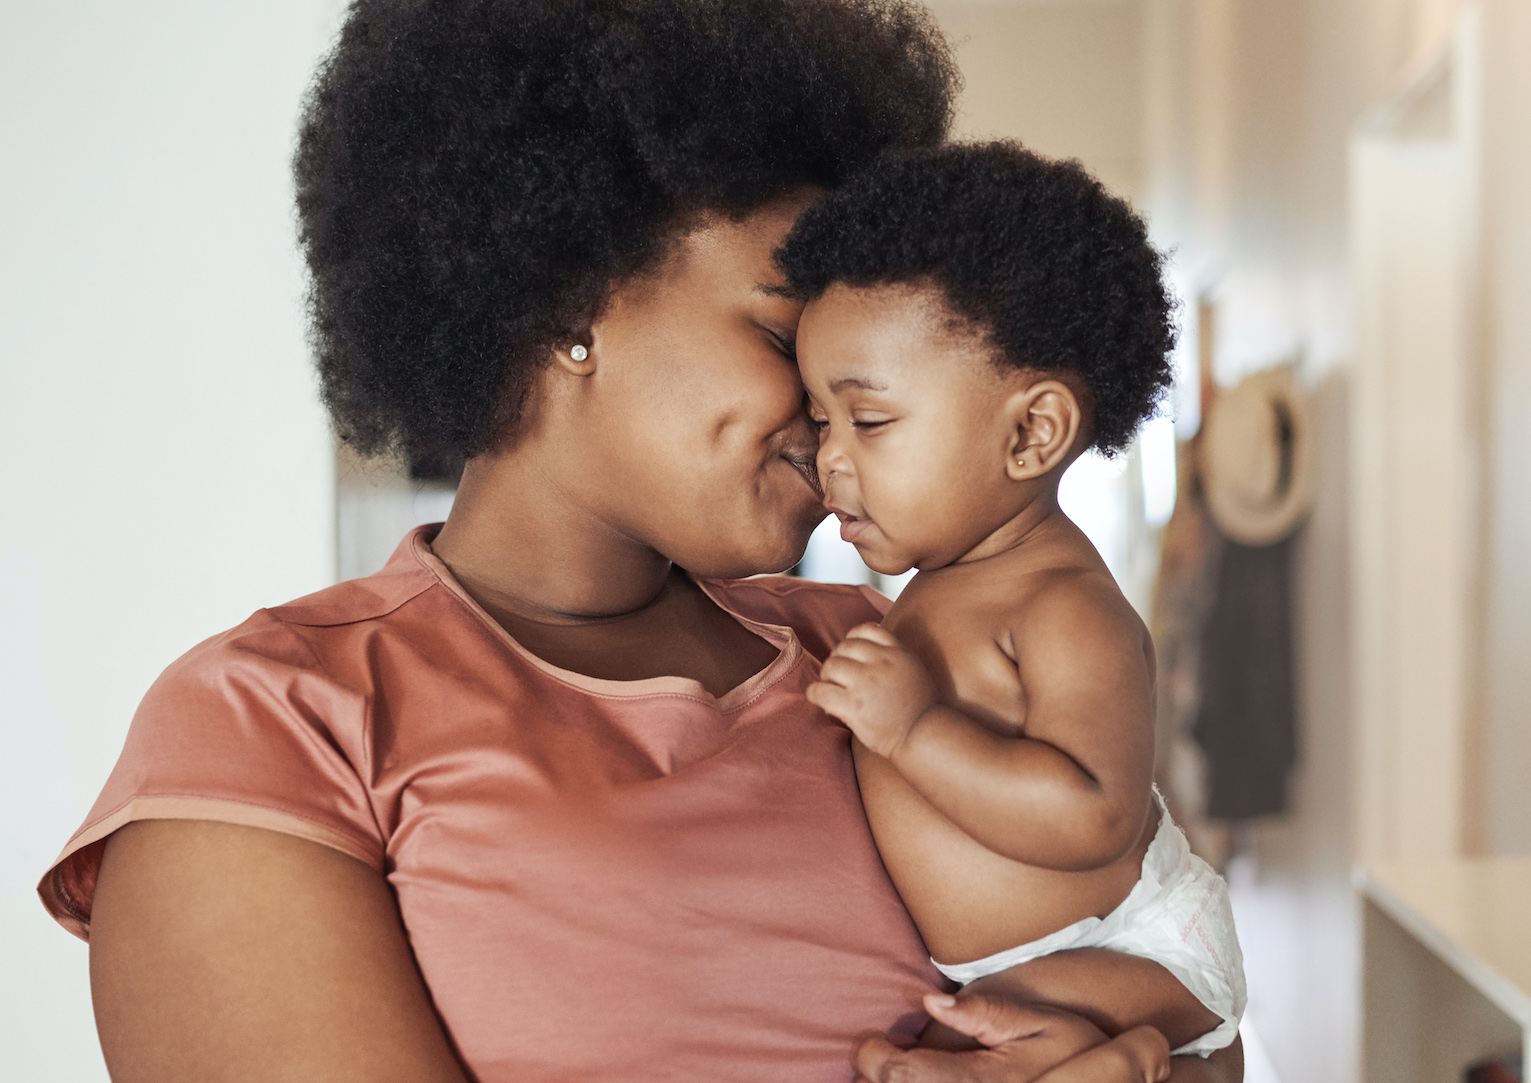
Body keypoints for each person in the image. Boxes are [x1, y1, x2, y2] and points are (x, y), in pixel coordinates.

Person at [37, 4, 1243, 1080]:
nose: (830, 440)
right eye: (786, 345)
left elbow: (1175, 982)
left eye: (862, 396)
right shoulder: (279, 724)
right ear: (569, 301)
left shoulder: (882, 651)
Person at [784, 143, 1245, 1072]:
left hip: (1133, 949)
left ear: (1031, 432)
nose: (828, 456)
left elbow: (1091, 816)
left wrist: (912, 728)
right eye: (819, 419)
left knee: (984, 1023)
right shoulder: (940, 590)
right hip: (1046, 958)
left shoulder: (1064, 606)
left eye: (867, 421)